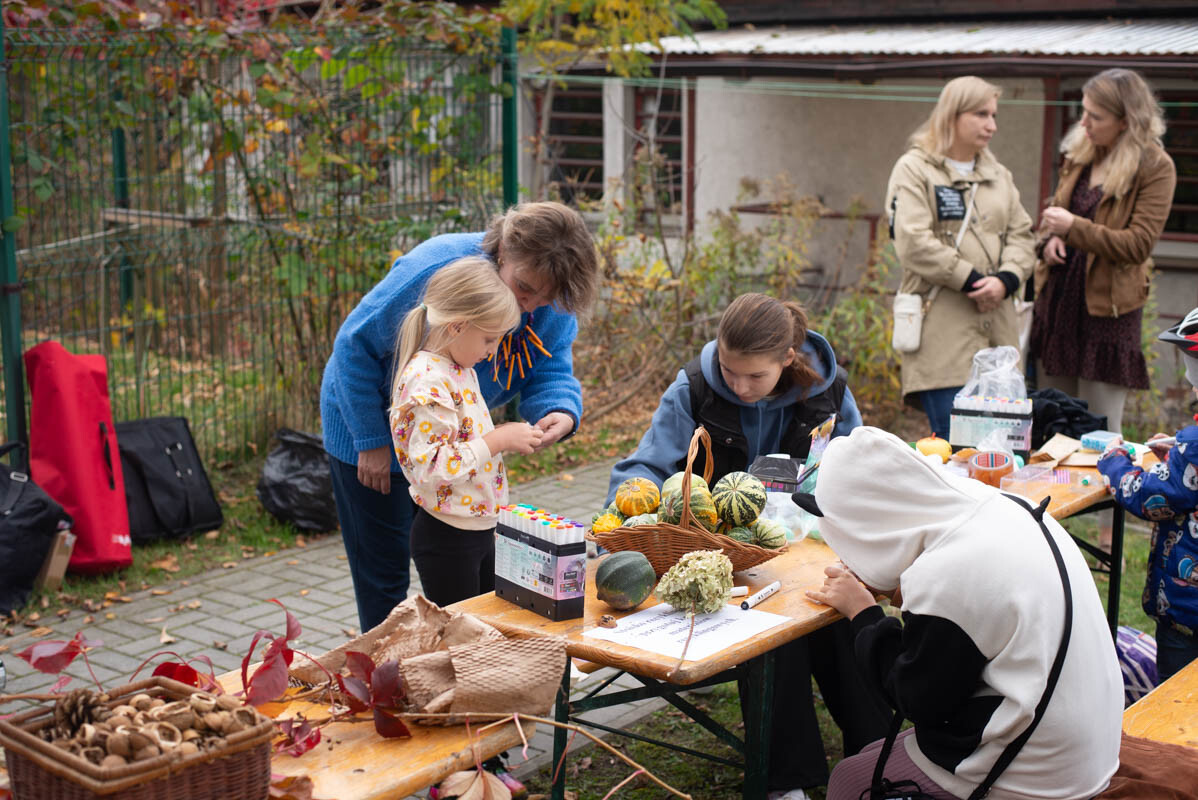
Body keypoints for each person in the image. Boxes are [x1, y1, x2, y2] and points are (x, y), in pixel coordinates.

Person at [608, 293, 890, 800]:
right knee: (774, 639)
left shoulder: (830, 392)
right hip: (727, 560)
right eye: (729, 370)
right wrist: (620, 512)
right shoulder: (692, 389)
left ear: (787, 358)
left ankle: (879, 762)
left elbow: (864, 466)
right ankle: (790, 783)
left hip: (814, 551)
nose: (740, 387)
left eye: (755, 377)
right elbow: (647, 465)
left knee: (843, 625)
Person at [321, 202, 599, 632]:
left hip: (453, 451)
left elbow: (550, 364)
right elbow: (353, 346)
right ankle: (385, 685)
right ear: (504, 251)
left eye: (546, 297)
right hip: (369, 432)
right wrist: (371, 440)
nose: (532, 306)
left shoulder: (548, 299)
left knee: (462, 576)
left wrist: (559, 410)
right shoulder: (435, 269)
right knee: (385, 579)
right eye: (525, 289)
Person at [804, 426, 1123, 800]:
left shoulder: (950, 571)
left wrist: (863, 613)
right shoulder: (1003, 506)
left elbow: (918, 699)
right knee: (874, 752)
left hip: (1042, 769)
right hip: (1086, 738)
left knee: (850, 779)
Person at [884, 76, 1036, 438]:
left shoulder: (999, 176)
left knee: (1004, 447)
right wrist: (972, 279)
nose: (992, 125)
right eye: (981, 114)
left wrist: (1006, 280)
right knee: (957, 444)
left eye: (994, 115)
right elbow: (912, 240)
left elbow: (1022, 235)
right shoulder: (915, 169)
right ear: (953, 115)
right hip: (943, 335)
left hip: (998, 336)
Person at [388, 258, 543, 607]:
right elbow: (432, 468)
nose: (492, 352)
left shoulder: (458, 367)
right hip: (448, 538)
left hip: (477, 528)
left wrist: (505, 434)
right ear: (457, 327)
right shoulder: (428, 380)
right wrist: (499, 440)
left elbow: (464, 440)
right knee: (462, 640)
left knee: (488, 630)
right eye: (489, 339)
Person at [1030, 68, 1177, 435]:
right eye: (1084, 112)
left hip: (1107, 316)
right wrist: (1050, 241)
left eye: (1095, 116)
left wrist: (1073, 229)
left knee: (1097, 432)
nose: (1084, 123)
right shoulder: (1080, 155)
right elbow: (1055, 215)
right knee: (1052, 423)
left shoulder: (1156, 167)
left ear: (1126, 120)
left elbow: (1138, 243)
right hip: (1059, 306)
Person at [1097, 307, 1198, 682]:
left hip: (1187, 618)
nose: (1191, 386)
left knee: (1175, 704)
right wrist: (1177, 460)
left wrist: (1114, 461)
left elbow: (1147, 496)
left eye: (1194, 375)